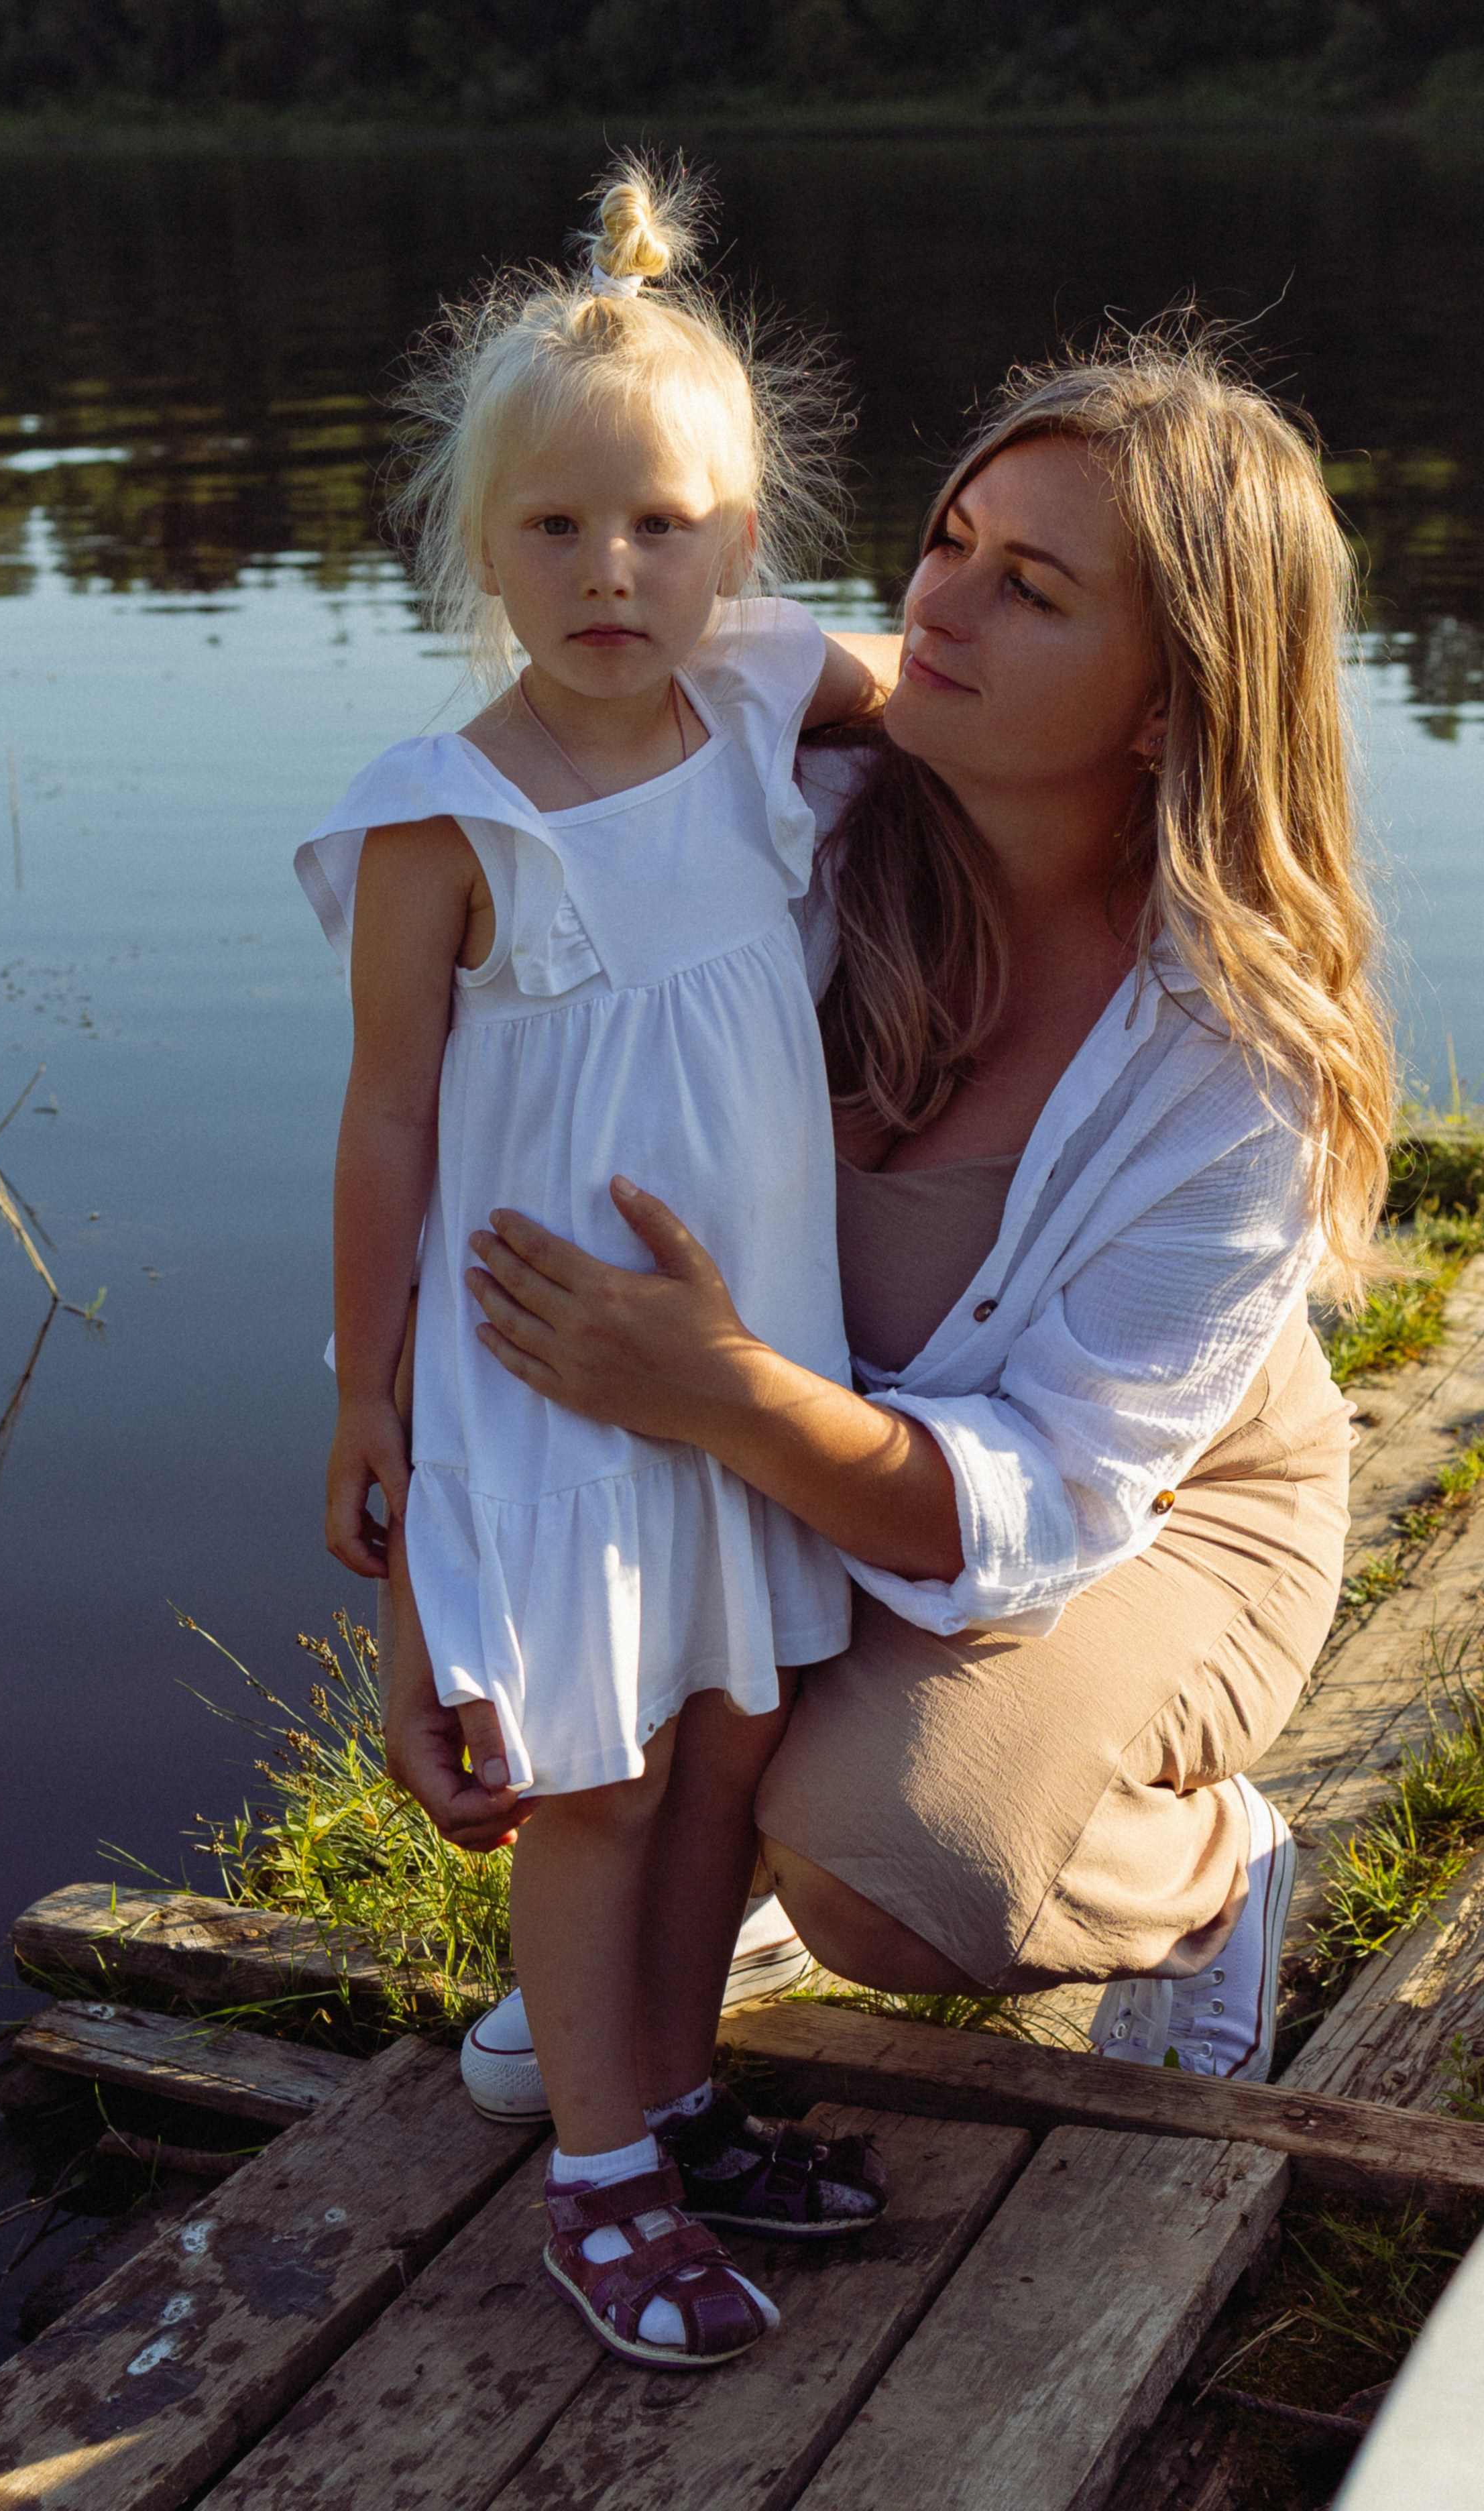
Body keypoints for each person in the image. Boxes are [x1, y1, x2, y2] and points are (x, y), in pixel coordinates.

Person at [444, 329, 1393, 2100]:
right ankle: (709, 1853)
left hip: (1155, 1515)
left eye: (1029, 588)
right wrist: (462, 1596)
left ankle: (1209, 1877)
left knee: (900, 1866)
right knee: (561, 2018)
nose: (942, 603)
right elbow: (655, 641)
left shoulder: (1238, 1063)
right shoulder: (791, 819)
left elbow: (1051, 1498)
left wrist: (723, 1393)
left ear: (1179, 698)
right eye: (949, 542)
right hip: (798, 1456)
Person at [298, 162, 892, 2374]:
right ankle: (597, 2173)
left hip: (746, 1370)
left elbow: (964, 693)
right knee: (599, 1777)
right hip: (543, 1390)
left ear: (743, 543)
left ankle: (676, 2099)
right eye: (553, 528)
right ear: (482, 548)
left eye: (662, 525)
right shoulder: (447, 820)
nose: (610, 570)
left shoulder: (759, 712)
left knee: (731, 1741)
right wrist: (363, 1392)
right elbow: (381, 1121)